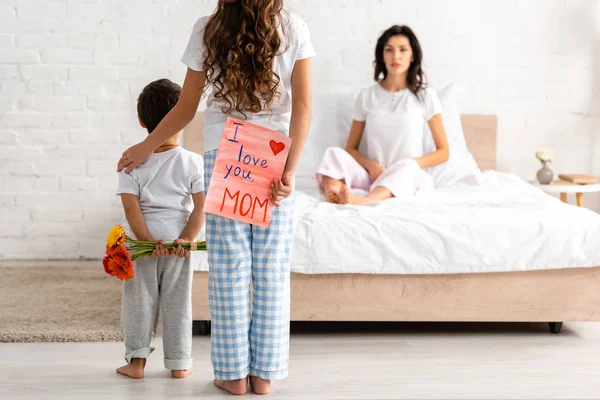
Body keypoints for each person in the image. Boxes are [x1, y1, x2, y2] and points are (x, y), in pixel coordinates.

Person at [116, 0, 315, 395]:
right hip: (273, 154)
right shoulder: (295, 28)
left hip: (226, 152)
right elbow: (304, 106)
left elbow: (186, 107)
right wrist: (290, 170)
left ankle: (232, 375)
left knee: (229, 267)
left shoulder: (208, 28)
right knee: (272, 268)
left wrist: (146, 145)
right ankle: (265, 375)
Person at [116, 78, 205, 380]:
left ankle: (136, 363)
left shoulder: (130, 162)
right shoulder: (194, 162)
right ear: (184, 118)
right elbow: (201, 206)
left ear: (142, 121)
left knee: (139, 301)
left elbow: (132, 208)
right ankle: (180, 363)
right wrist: (187, 238)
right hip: (178, 244)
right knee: (178, 303)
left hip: (142, 247)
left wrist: (146, 240)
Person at [316, 25, 449, 205]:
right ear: (382, 56)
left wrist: (411, 162)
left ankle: (363, 201)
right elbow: (351, 148)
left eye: (403, 49)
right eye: (389, 50)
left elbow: (444, 152)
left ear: (412, 56)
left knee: (408, 166)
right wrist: (370, 165)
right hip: (373, 176)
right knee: (333, 154)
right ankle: (334, 192)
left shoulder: (426, 95)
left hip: (407, 177)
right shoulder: (367, 96)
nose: (396, 56)